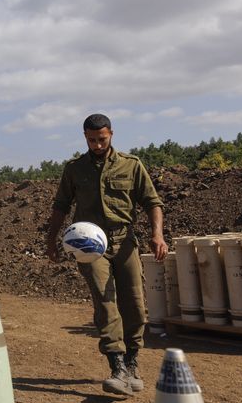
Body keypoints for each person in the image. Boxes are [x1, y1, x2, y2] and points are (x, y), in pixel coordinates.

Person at [44, 113, 167, 397]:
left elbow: (152, 201)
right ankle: (117, 366)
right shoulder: (75, 169)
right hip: (90, 246)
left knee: (135, 304)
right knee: (105, 301)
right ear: (84, 138)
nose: (97, 145)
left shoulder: (131, 165)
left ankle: (133, 361)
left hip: (125, 242)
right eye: (91, 140)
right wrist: (51, 240)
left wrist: (157, 234)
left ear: (111, 133)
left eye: (102, 139)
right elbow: (61, 204)